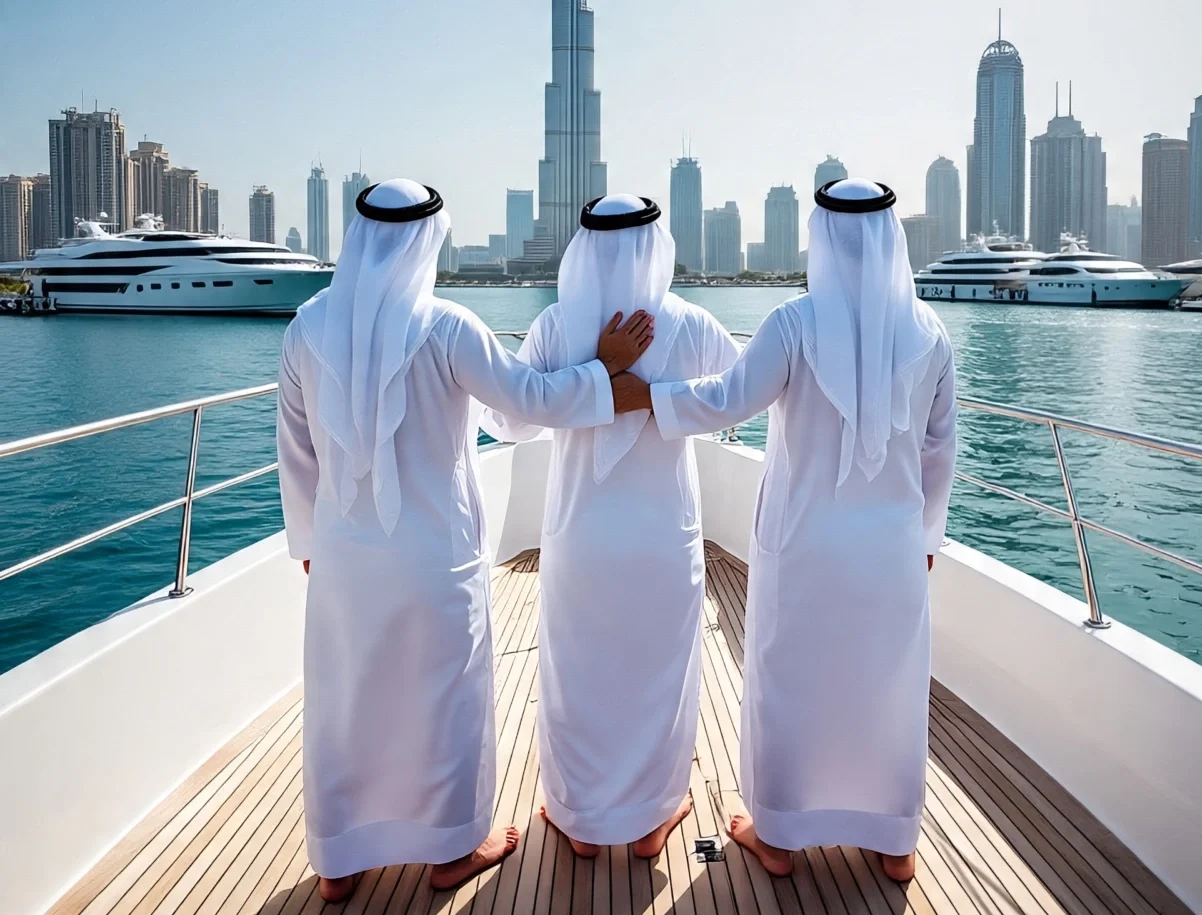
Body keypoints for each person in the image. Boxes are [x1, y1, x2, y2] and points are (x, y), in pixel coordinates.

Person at [275, 179, 653, 901]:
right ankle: (452, 848)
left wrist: (308, 545)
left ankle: (339, 857)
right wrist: (603, 366)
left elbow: (296, 454)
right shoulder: (448, 327)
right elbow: (532, 402)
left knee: (345, 698)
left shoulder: (305, 327)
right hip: (434, 554)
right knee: (443, 696)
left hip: (344, 558)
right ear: (425, 240)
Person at [610, 178, 958, 882]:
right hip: (891, 549)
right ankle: (893, 839)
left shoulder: (793, 324)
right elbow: (939, 451)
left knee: (793, 680)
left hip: (805, 546)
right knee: (887, 685)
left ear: (821, 237)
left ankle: (781, 834)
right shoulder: (930, 331)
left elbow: (725, 400)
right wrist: (925, 538)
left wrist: (641, 392)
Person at [480, 194, 739, 858]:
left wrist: (593, 378)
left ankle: (579, 818)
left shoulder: (554, 327)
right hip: (661, 535)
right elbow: (738, 401)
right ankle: (652, 818)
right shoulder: (692, 324)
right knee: (658, 670)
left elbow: (510, 422)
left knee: (578, 673)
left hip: (580, 534)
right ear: (657, 243)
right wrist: (653, 393)